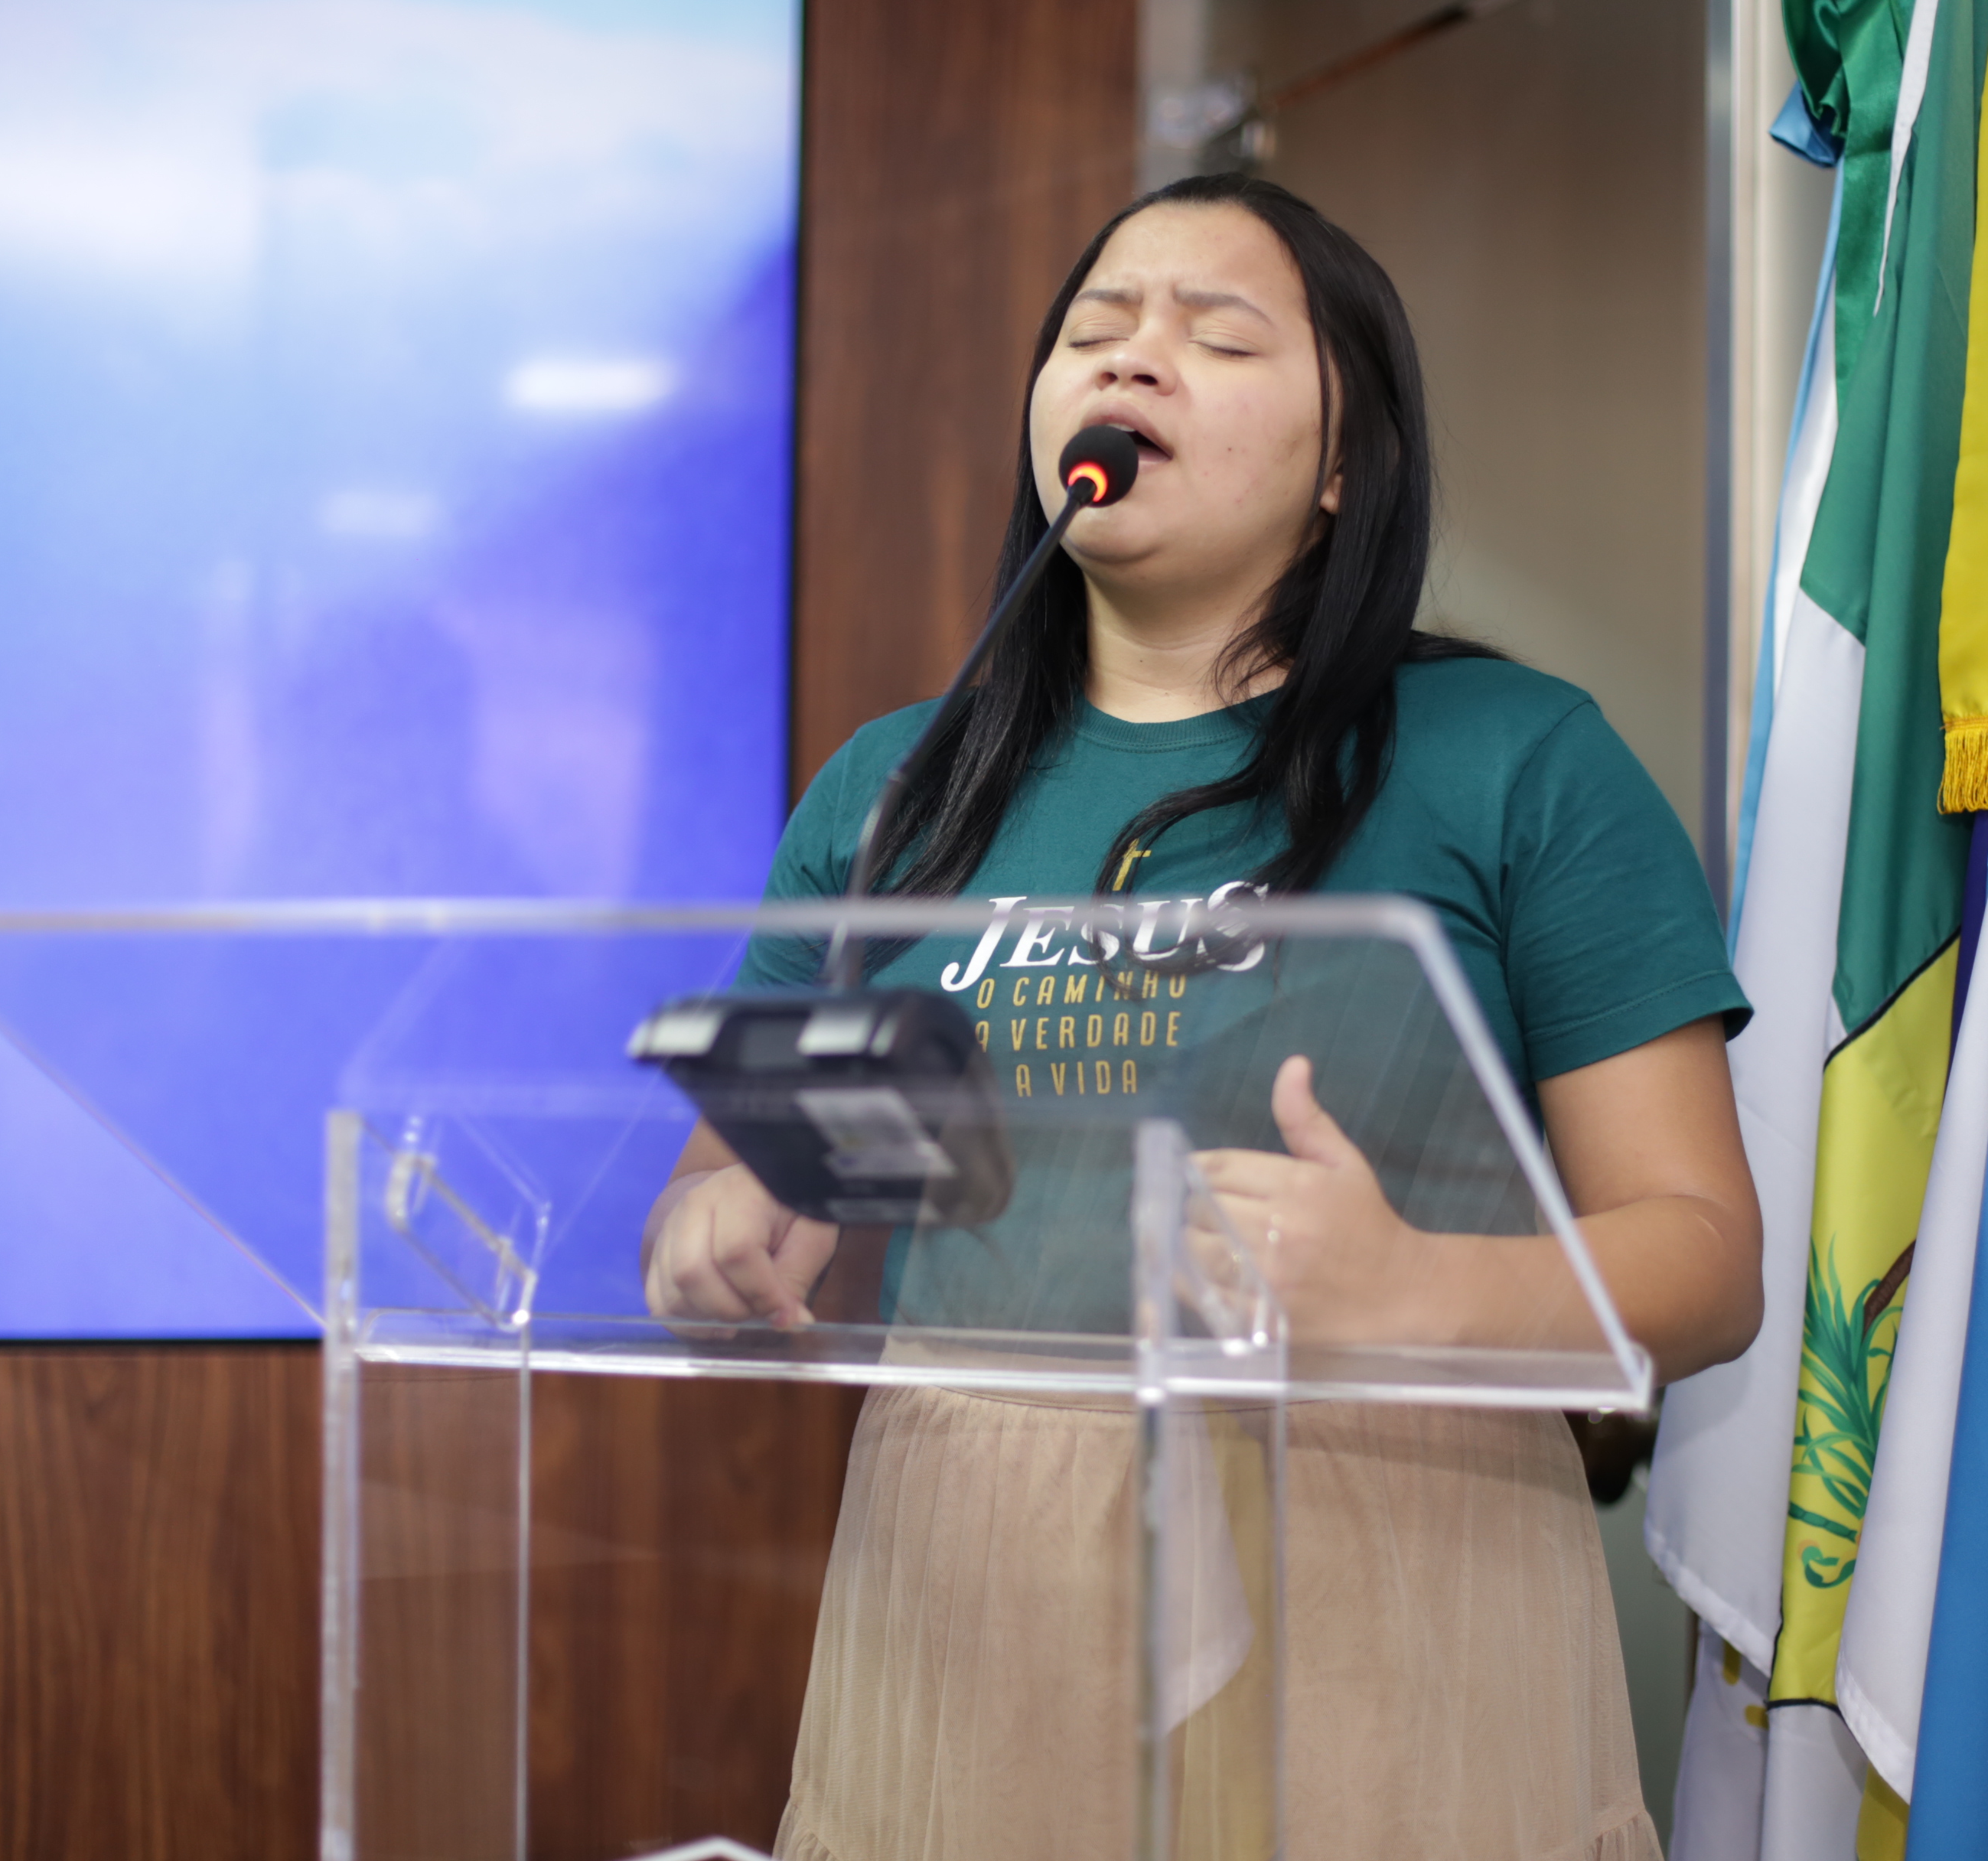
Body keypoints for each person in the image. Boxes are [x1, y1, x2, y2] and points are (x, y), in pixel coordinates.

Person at [644, 171, 1761, 1861]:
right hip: (977, 1595)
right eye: (1096, 329)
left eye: (1218, 337)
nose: (1133, 356)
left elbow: (1706, 1257)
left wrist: (1415, 1291)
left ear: (1344, 465)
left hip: (1399, 1568)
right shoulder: (891, 789)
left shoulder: (1518, 759)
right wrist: (716, 1235)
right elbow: (727, 1180)